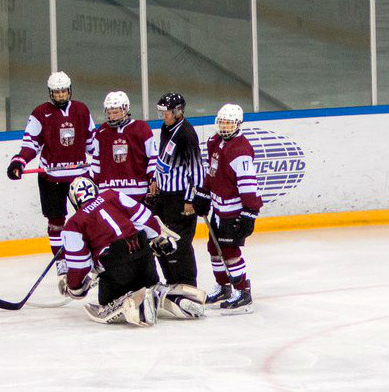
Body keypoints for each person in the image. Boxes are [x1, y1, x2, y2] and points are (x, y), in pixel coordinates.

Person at [59, 177, 206, 327]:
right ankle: (162, 294)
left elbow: (79, 265)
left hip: (115, 267)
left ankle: (129, 301)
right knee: (150, 285)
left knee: (106, 300)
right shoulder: (113, 195)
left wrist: (74, 287)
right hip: (143, 254)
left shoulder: (73, 224)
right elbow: (146, 218)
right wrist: (156, 238)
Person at [6, 71, 96, 275]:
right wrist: (19, 161)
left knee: (91, 216)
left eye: (64, 91)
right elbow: (31, 143)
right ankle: (61, 260)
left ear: (69, 90)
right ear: (50, 93)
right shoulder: (40, 113)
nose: (61, 95)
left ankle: (95, 254)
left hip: (79, 175)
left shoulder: (81, 110)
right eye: (57, 92)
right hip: (51, 177)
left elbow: (92, 142)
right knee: (56, 222)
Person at [193, 103, 262, 314]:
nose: (225, 127)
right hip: (218, 209)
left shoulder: (240, 150)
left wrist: (250, 213)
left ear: (238, 125)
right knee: (214, 249)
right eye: (222, 122)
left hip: (233, 211)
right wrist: (204, 193)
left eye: (229, 123)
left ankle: (242, 291)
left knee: (230, 252)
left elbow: (248, 185)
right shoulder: (215, 141)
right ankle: (223, 287)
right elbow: (212, 172)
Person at [151, 93, 204, 287]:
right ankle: (172, 280)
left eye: (166, 113)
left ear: (178, 112)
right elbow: (164, 159)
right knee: (161, 241)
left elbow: (196, 169)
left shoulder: (187, 134)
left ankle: (187, 283)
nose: (162, 116)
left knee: (180, 244)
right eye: (161, 113)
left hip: (180, 198)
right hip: (164, 197)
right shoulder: (167, 128)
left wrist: (191, 200)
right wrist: (156, 180)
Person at [91, 91, 158, 201]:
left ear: (125, 110)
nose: (112, 117)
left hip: (137, 190)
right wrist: (96, 180)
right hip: (109, 192)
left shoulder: (141, 128)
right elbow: (96, 160)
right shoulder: (102, 131)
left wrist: (152, 178)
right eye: (109, 113)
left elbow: (153, 157)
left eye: (115, 112)